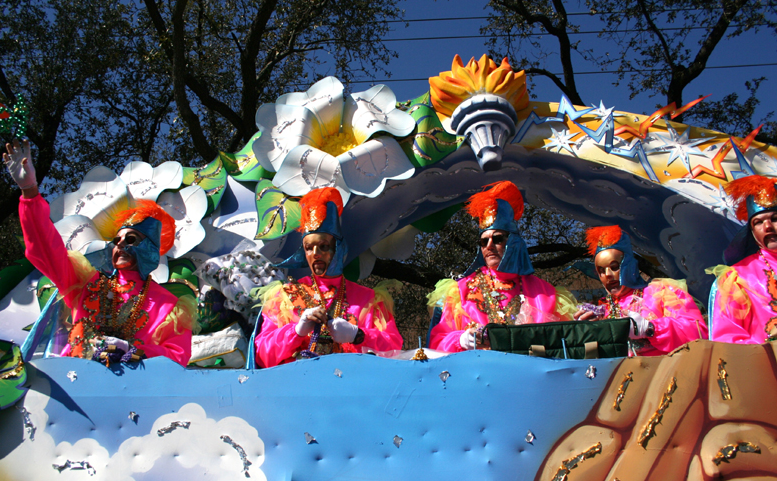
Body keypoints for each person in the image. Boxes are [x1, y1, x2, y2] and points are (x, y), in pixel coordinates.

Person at [4, 139, 194, 366]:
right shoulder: (86, 284)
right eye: (116, 240)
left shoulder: (168, 305)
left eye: (131, 239)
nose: (120, 245)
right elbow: (45, 249)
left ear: (150, 250)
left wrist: (135, 351)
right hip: (74, 384)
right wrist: (29, 193)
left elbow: (177, 357)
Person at [253, 187, 402, 367]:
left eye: (323, 246)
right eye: (309, 248)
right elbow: (261, 355)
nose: (315, 253)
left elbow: (394, 349)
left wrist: (359, 335)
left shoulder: (369, 299)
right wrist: (296, 331)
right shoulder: (285, 297)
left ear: (338, 248)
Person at [427, 181, 576, 352]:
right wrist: (460, 340)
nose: (489, 246)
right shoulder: (460, 291)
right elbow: (436, 344)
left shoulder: (545, 293)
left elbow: (565, 344)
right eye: (483, 241)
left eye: (497, 239)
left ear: (512, 241)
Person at [573, 225, 707, 355]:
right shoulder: (605, 308)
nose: (608, 275)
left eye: (614, 267)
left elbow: (697, 332)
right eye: (601, 271)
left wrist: (650, 329)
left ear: (629, 265)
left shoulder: (661, 292)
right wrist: (591, 332)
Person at [708, 175, 777, 343]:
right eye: (758, 222)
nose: (768, 227)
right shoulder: (737, 278)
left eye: (775, 219)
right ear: (752, 233)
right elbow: (727, 341)